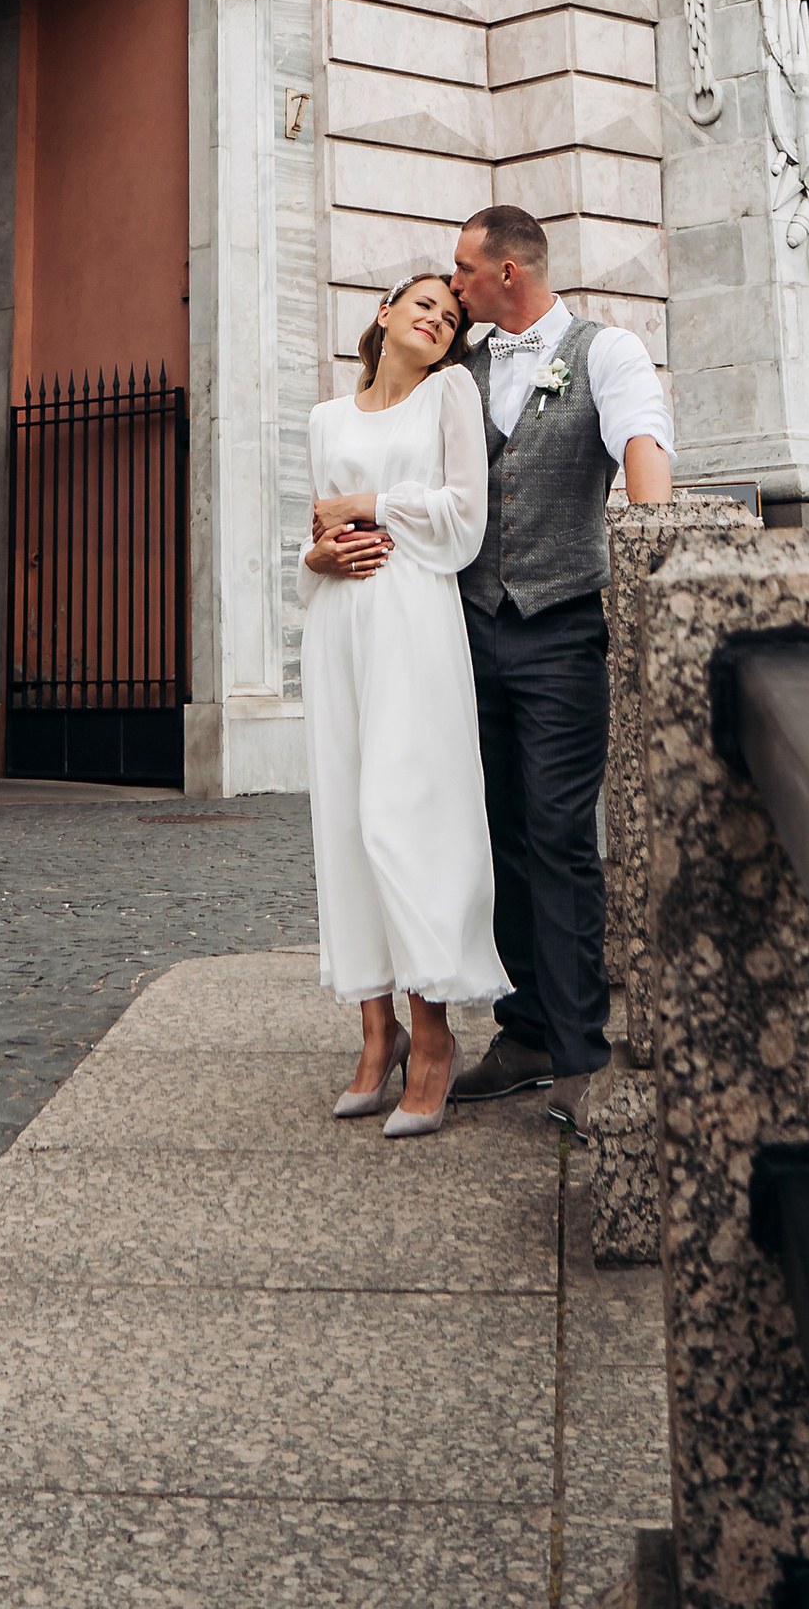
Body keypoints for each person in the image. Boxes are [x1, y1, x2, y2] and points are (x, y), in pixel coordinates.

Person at [445, 205, 673, 1118]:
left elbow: (642, 445)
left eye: (465, 269)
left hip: (561, 626)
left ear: (510, 272)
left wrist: (655, 551)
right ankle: (527, 1026)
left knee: (559, 834)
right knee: (496, 834)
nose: (453, 283)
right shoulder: (460, 366)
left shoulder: (604, 352)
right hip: (466, 628)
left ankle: (581, 1056)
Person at [299, 271, 506, 1137]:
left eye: (451, 316)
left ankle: (433, 1038)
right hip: (338, 624)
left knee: (402, 815)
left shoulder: (449, 393)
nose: (438, 318)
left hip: (415, 620)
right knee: (347, 823)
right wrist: (315, 557)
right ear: (384, 314)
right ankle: (374, 1029)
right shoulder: (326, 419)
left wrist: (371, 503)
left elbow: (464, 523)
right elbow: (317, 535)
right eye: (424, 303)